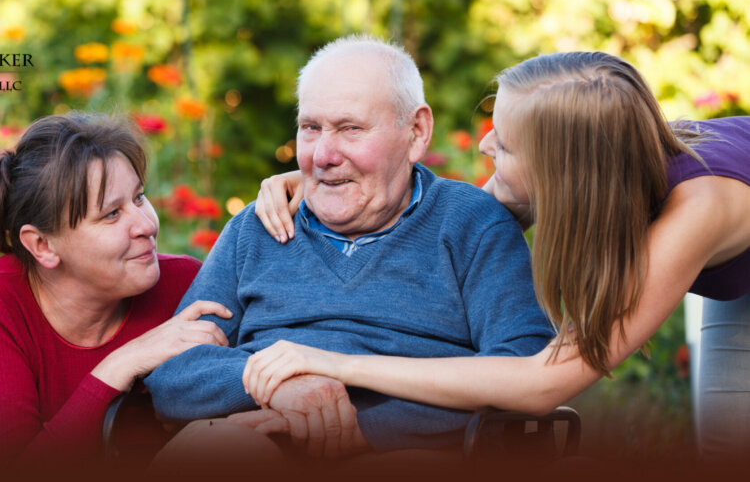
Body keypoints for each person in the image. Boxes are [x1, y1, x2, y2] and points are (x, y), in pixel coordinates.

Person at [251, 51, 750, 461]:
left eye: (505, 146)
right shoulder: (600, 166)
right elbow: (449, 221)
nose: (487, 143)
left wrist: (338, 364)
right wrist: (324, 185)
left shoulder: (698, 210)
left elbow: (543, 382)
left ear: (561, 170)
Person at [143, 35, 555, 464]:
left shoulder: (474, 225)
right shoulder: (258, 226)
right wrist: (275, 385)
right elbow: (175, 375)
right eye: (311, 128)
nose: (322, 155)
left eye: (350, 128)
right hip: (255, 442)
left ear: (416, 132)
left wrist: (360, 429)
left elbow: (520, 369)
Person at [0, 113, 231, 469]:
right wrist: (121, 365)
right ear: (42, 245)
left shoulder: (184, 285)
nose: (147, 225)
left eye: (140, 198)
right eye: (112, 214)